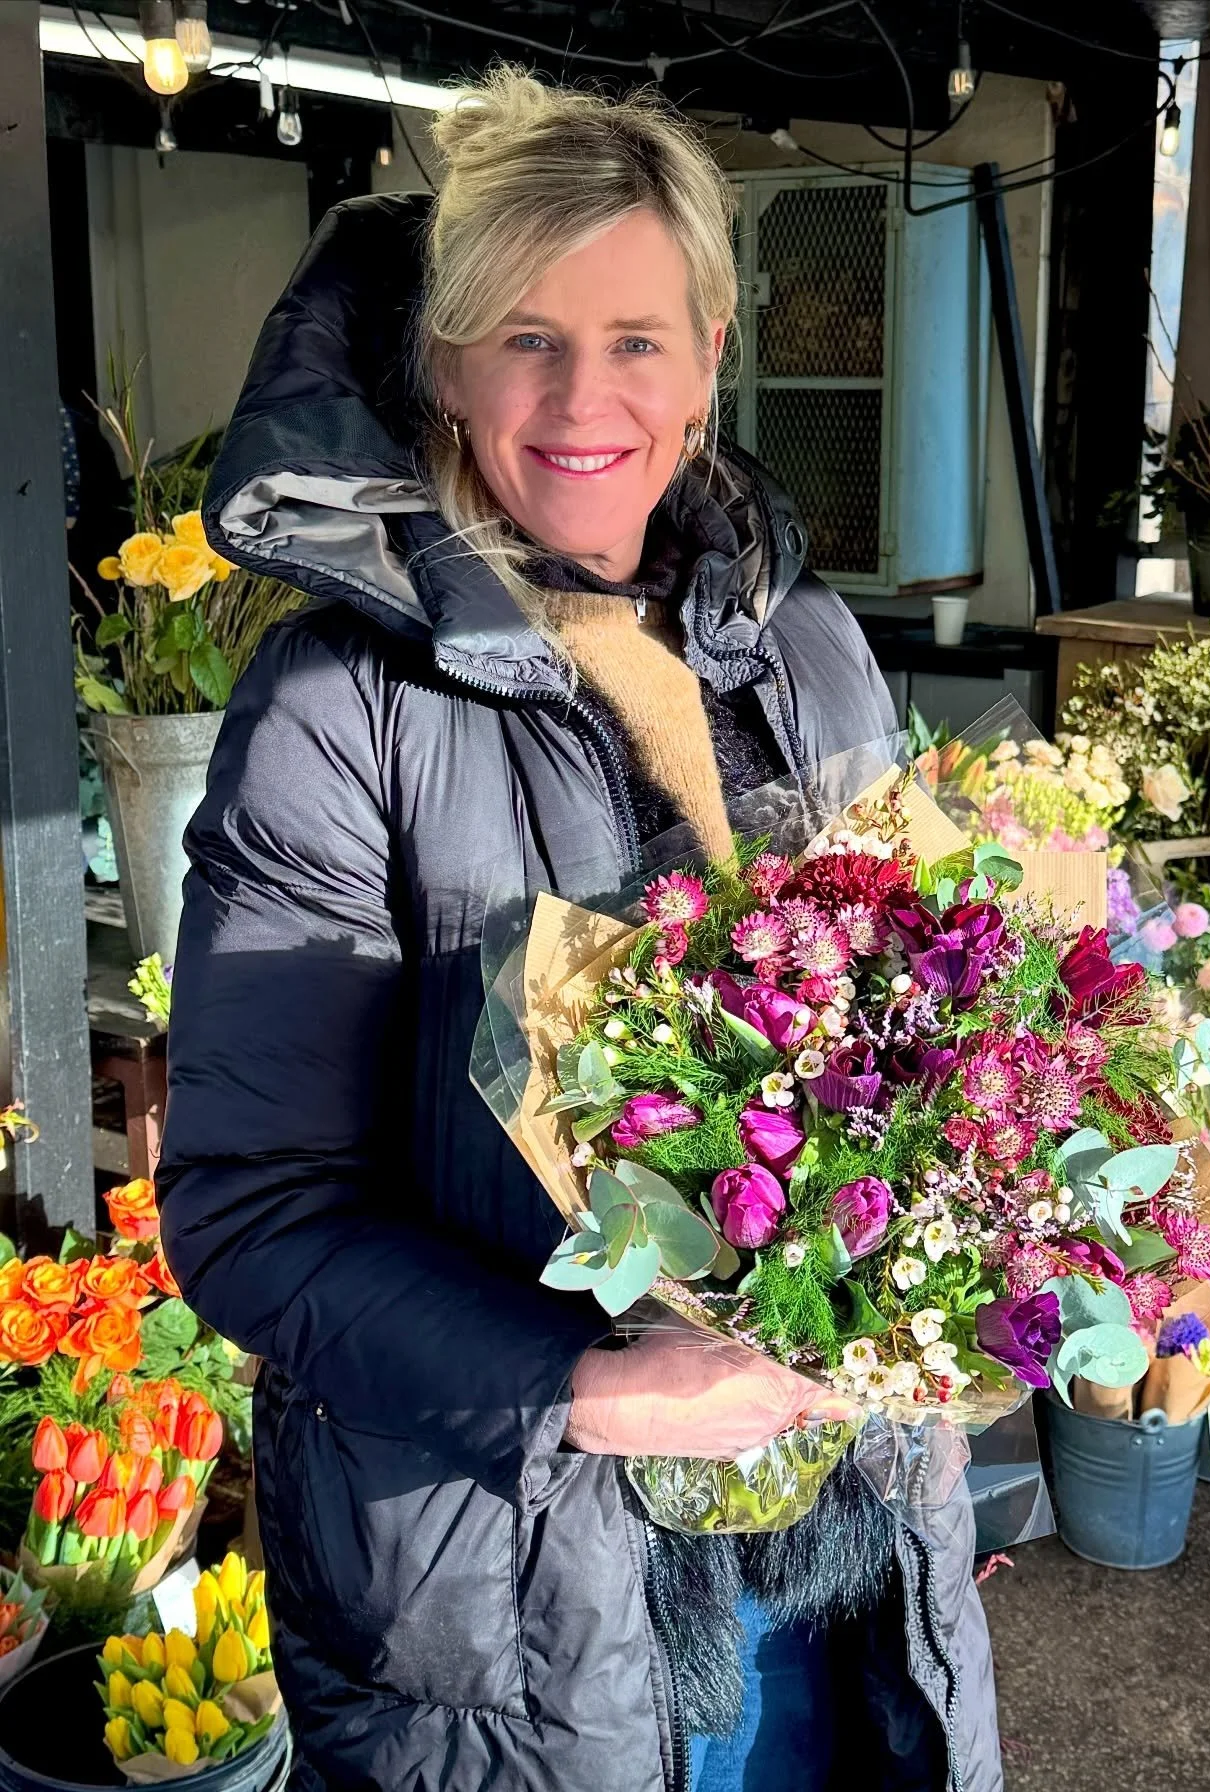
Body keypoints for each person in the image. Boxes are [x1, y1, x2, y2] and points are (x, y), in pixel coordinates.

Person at [158, 68, 1002, 1792]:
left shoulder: (812, 648)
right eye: (525, 337)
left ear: (707, 356)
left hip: (840, 1575)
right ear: (446, 366)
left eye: (635, 338)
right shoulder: (336, 712)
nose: (582, 397)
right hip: (522, 1607)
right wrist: (587, 1388)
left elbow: (929, 1056)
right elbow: (252, 1215)